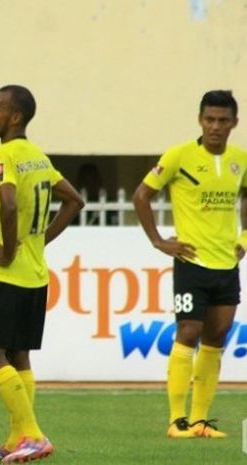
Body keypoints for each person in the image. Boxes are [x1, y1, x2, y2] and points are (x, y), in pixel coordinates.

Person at [0, 85, 84, 463]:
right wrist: (39, 241)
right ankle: (15, 439)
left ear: (15, 117)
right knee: (17, 355)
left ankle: (34, 435)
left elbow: (8, 204)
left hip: (8, 276)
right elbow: (75, 200)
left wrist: (8, 250)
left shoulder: (4, 154)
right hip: (36, 275)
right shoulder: (38, 158)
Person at [132, 90, 246, 439]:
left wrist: (244, 239)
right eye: (209, 119)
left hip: (227, 263)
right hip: (191, 262)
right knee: (189, 332)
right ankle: (176, 420)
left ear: (234, 124)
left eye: (222, 120)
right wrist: (159, 240)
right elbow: (141, 195)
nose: (215, 126)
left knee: (215, 337)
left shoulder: (240, 160)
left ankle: (199, 421)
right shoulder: (180, 156)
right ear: (200, 120)